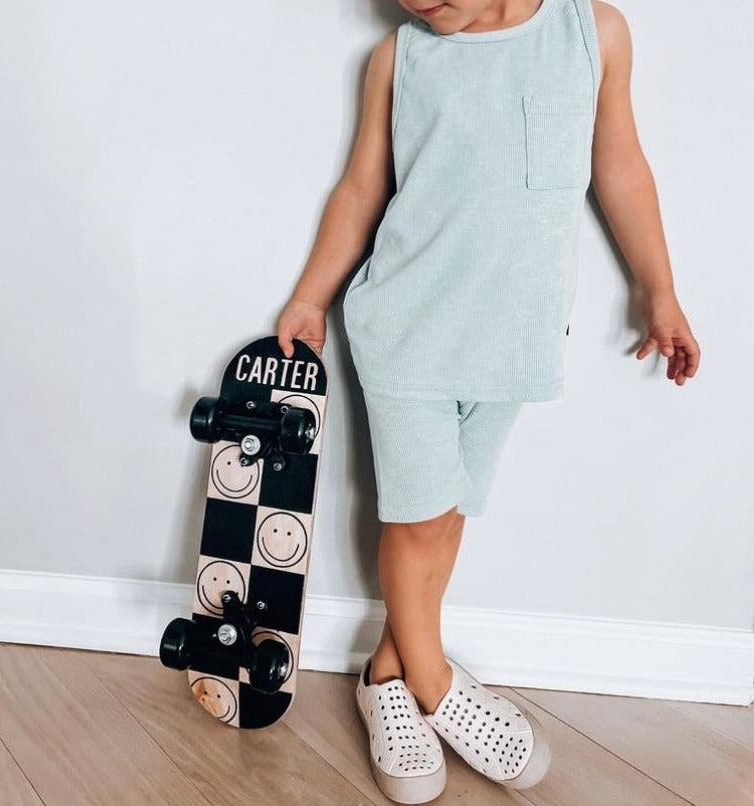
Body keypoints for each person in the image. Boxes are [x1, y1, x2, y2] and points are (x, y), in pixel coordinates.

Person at [276, 0, 701, 801]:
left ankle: (388, 671)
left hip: (514, 333)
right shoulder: (399, 60)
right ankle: (435, 687)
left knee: (451, 510)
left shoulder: (593, 33)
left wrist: (661, 290)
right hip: (408, 325)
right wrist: (309, 298)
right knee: (416, 515)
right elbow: (363, 185)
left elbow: (620, 166)